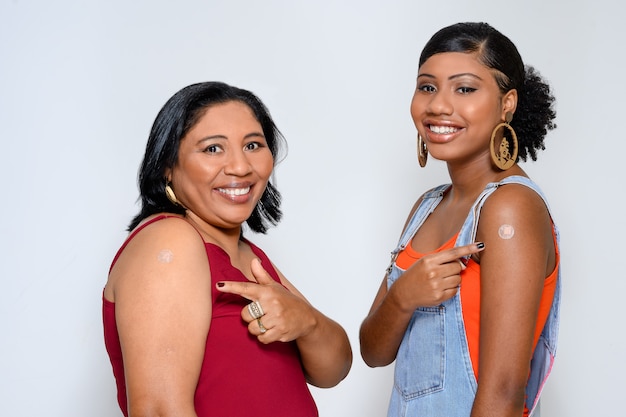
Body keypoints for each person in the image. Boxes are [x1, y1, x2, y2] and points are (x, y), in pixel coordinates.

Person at [103, 81, 352, 417]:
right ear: (167, 166)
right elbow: (159, 410)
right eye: (212, 149)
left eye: (253, 145)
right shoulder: (170, 242)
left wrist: (307, 322)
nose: (240, 167)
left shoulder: (247, 255)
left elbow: (333, 369)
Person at [359, 22, 560, 417]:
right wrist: (404, 296)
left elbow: (503, 391)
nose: (438, 105)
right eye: (427, 87)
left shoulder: (509, 208)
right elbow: (373, 351)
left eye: (464, 88)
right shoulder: (426, 207)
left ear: (508, 103)